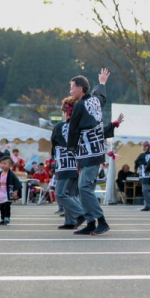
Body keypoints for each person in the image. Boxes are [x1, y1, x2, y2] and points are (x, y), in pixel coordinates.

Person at [67, 68, 116, 236]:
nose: (70, 91)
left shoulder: (80, 106)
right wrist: (102, 83)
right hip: (94, 151)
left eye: (72, 87)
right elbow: (101, 96)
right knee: (84, 188)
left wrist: (70, 150)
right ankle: (90, 222)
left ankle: (101, 221)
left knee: (84, 187)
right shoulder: (95, 101)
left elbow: (73, 130)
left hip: (89, 153)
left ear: (80, 88)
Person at [51, 97, 85, 229]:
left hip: (64, 164)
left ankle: (80, 213)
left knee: (60, 194)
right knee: (70, 194)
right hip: (77, 164)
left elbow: (54, 144)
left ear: (65, 112)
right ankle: (70, 222)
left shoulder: (60, 127)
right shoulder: (80, 127)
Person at [0, 155, 21, 226]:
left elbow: (17, 183)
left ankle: (7, 217)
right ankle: (3, 219)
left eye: (5, 163)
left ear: (10, 165)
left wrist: (15, 192)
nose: (2, 165)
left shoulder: (11, 174)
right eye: (1, 163)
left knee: (7, 206)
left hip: (8, 193)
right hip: (1, 193)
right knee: (1, 207)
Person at [134, 141, 150, 212]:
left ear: (146, 147)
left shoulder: (142, 155)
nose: (141, 147)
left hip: (145, 175)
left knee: (145, 190)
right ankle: (147, 205)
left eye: (142, 146)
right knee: (146, 190)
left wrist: (138, 167)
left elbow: (136, 162)